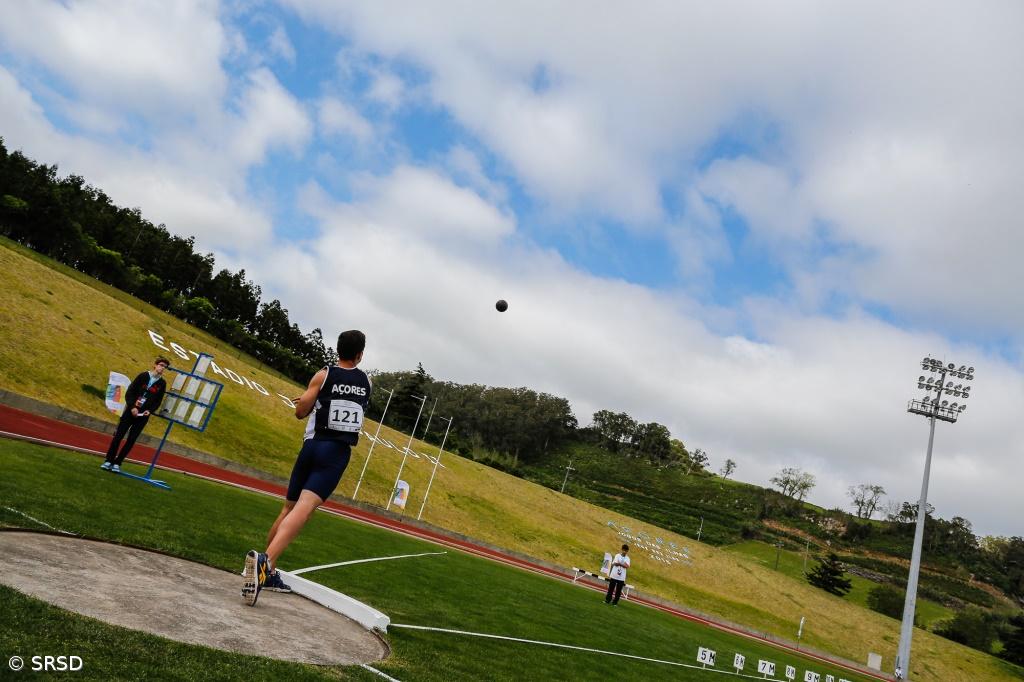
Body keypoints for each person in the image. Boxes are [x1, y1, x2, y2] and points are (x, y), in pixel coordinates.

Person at [242, 330, 372, 606]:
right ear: (360, 354)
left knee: (288, 508)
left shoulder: (323, 374)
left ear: (337, 350)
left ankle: (266, 569)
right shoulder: (365, 382)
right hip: (335, 452)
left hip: (311, 446)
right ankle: (265, 562)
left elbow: (301, 411)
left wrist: (304, 403)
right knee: (304, 510)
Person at [101, 357, 169, 473]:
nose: (162, 368)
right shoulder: (143, 376)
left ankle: (118, 463)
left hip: (143, 416)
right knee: (119, 436)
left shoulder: (162, 383)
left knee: (131, 440)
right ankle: (109, 460)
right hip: (130, 412)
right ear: (155, 365)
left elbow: (158, 401)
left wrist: (150, 411)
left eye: (165, 367)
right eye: (161, 365)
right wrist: (132, 407)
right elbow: (130, 392)